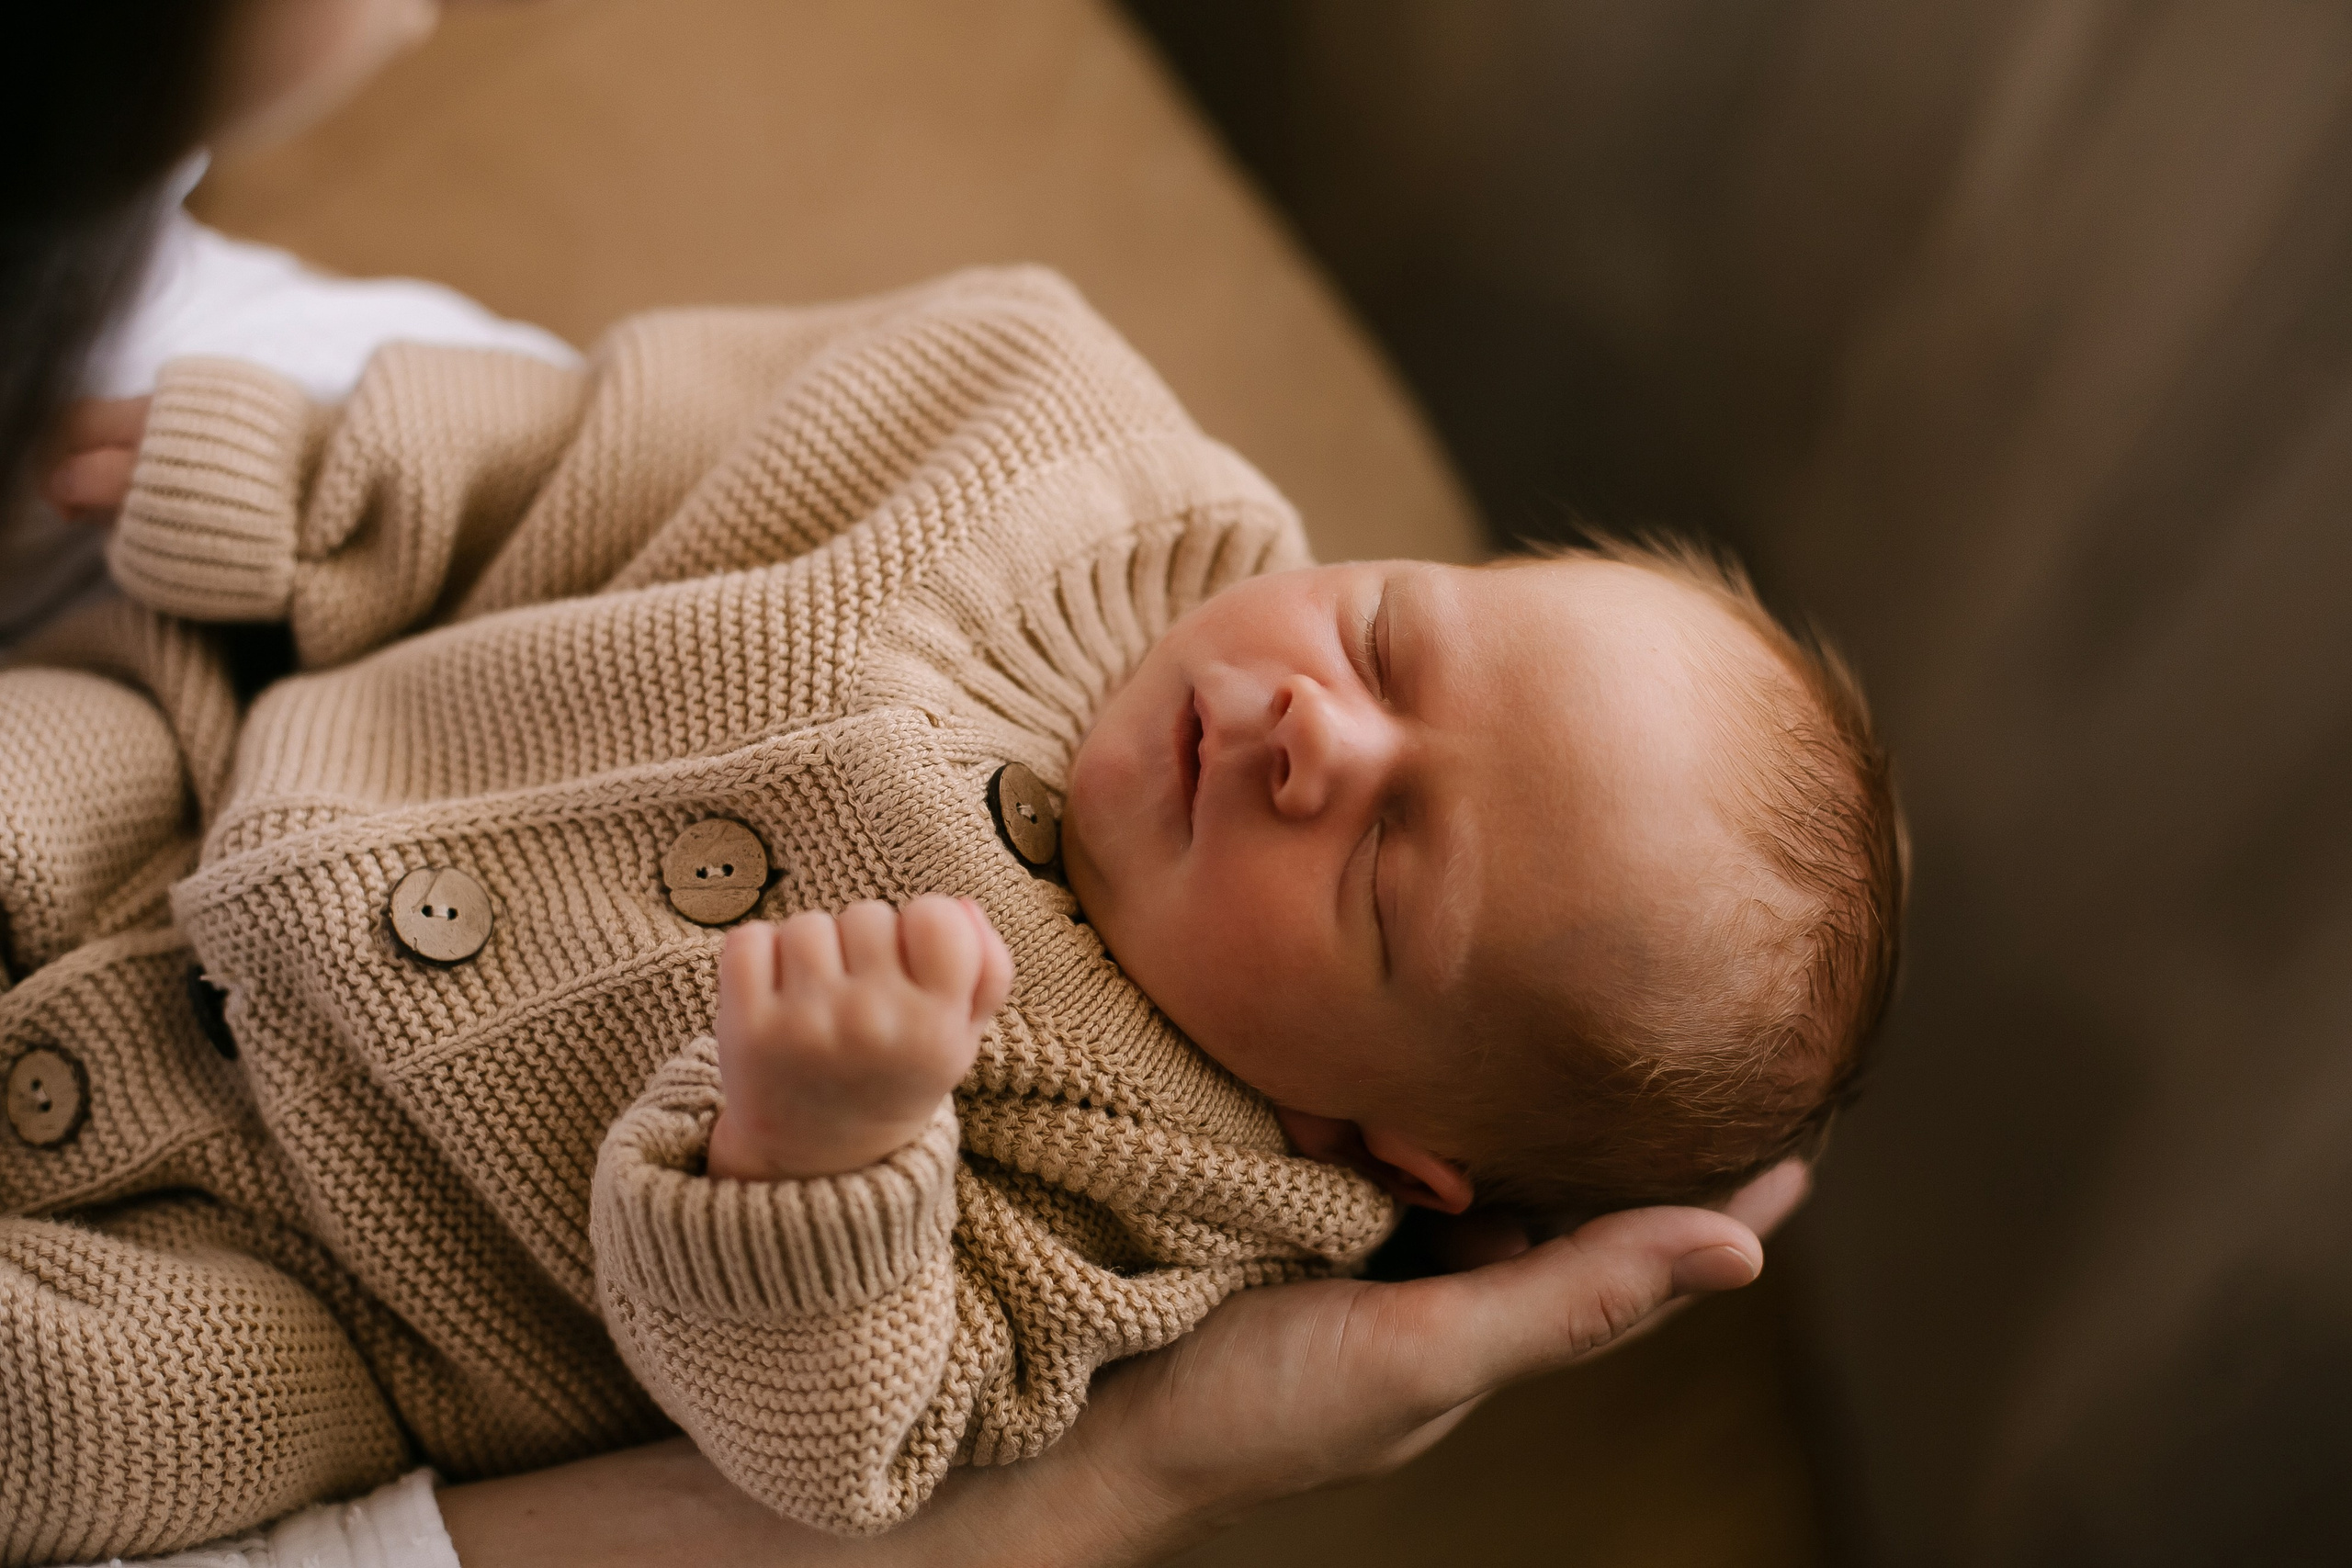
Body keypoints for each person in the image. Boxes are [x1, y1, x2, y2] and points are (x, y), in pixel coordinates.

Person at [0, 3, 1826, 1564]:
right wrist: (321, 479)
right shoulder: (1039, 430)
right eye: (1382, 641)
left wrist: (816, 1163)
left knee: (92, 1424)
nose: (1311, 734)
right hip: (195, 783)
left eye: (1381, 866)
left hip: (329, 1294)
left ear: (1387, 1140)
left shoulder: (1168, 1222)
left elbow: (850, 1442)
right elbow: (613, 441)